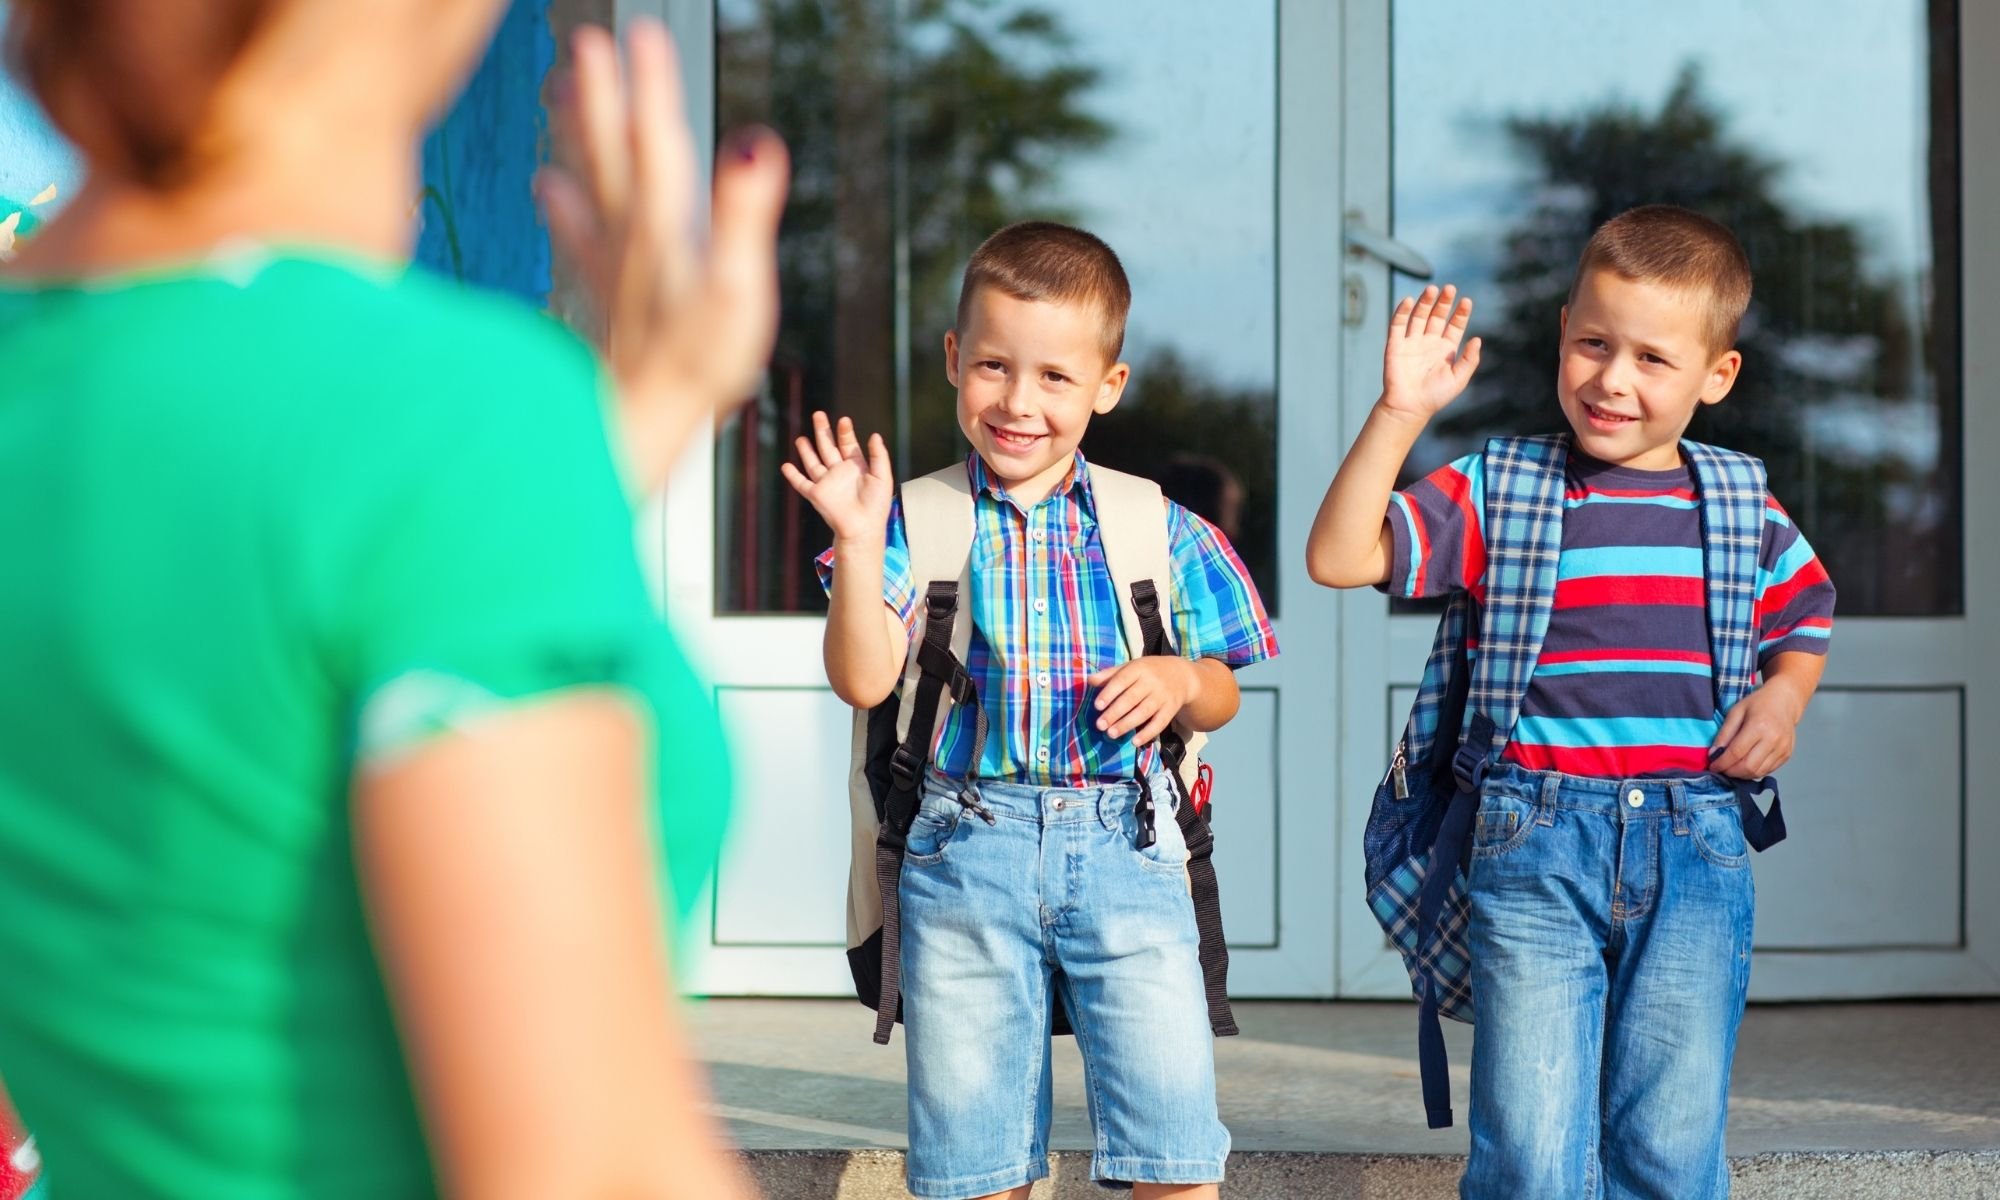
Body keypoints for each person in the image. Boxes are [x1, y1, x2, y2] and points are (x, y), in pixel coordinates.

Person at [0, 2, 787, 1195]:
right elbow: (587, 1170)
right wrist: (520, 452)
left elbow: (235, 635)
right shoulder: (441, 418)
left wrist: (624, 427)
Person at [1306, 205, 1835, 1198]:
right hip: (1533, 837)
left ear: (1714, 377)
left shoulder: (1736, 500)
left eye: (1650, 358)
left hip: (1696, 841)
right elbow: (1338, 556)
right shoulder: (1497, 487)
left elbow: (1803, 615)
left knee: (1668, 1146)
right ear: (1561, 333)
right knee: (1533, 1152)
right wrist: (1398, 413)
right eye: (1593, 344)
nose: (1612, 379)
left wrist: (1785, 699)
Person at [784, 221, 1277, 1200]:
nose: (1019, 402)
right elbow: (862, 678)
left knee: (1173, 1156)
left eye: (1055, 377)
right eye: (995, 368)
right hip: (961, 855)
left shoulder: (1155, 525)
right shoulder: (911, 520)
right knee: (976, 1169)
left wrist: (1180, 681)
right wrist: (849, 537)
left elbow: (1223, 682)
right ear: (954, 360)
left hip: (1126, 850)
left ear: (1107, 386)